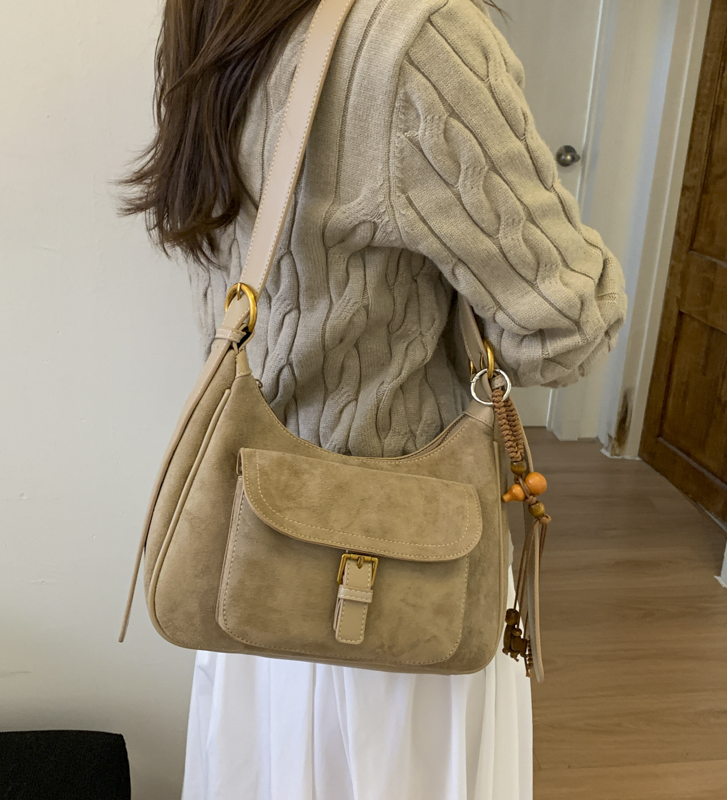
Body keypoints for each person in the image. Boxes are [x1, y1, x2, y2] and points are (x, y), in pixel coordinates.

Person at [122, 0, 627, 797]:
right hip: (399, 579)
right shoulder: (422, 40)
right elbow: (567, 328)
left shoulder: (219, 18)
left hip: (249, 571)